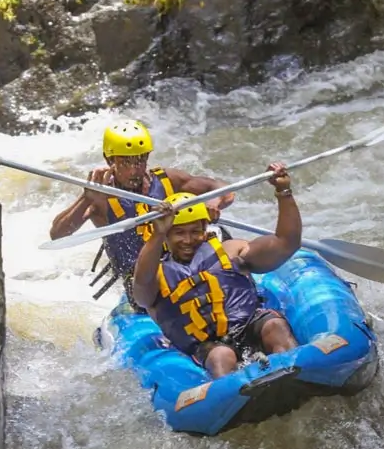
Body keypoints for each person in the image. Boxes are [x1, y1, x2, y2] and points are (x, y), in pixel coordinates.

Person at [132, 162, 302, 378]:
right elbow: (141, 287)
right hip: (206, 346)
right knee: (221, 356)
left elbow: (287, 243)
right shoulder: (155, 275)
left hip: (249, 325)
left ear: (206, 228)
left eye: (195, 231)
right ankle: (238, 398)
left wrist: (283, 191)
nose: (188, 240)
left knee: (275, 326)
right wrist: (157, 233)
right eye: (178, 233)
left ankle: (297, 374)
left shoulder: (231, 251)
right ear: (166, 236)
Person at [49, 119, 234, 308]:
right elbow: (58, 234)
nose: (134, 170)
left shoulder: (167, 180)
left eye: (140, 160)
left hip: (180, 261)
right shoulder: (100, 197)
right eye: (125, 162)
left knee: (219, 233)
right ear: (109, 160)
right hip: (141, 281)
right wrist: (86, 199)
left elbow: (222, 189)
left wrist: (214, 202)